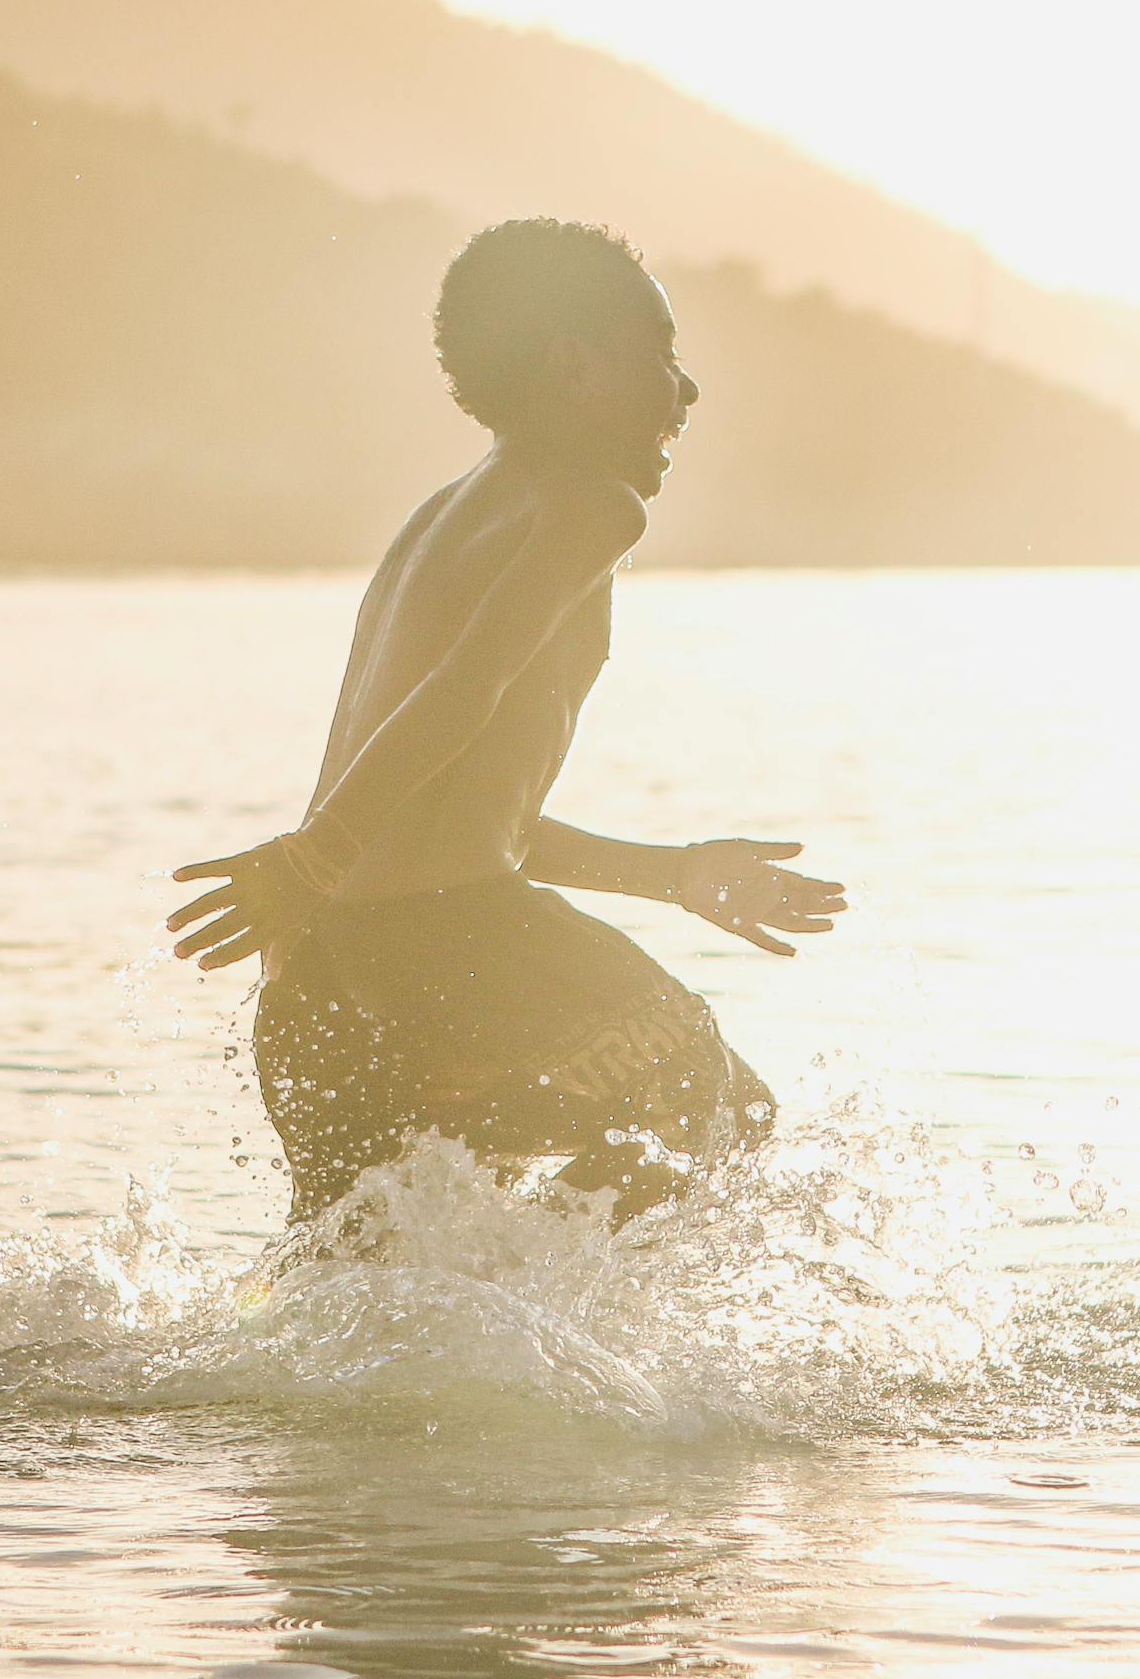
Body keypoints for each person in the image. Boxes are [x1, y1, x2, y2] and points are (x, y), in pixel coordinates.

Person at [167, 218, 844, 1228]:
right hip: (453, 943)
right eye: (658, 357)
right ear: (575, 367)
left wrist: (673, 875)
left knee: (352, 1279)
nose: (686, 391)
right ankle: (535, 1328)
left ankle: (470, 1334)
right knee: (725, 1112)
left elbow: (461, 813)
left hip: (315, 960)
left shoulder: (437, 521)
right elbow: (462, 693)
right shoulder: (591, 504)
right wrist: (310, 855)